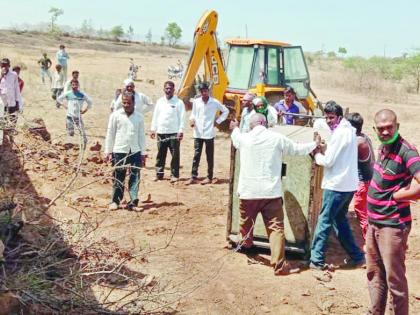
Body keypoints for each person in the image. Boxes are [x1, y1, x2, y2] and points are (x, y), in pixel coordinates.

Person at [230, 113, 320, 275]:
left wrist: (235, 127)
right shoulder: (276, 138)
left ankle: (246, 248)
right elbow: (297, 150)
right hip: (271, 193)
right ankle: (279, 265)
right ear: (265, 123)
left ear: (251, 126)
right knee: (275, 228)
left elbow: (235, 137)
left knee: (246, 223)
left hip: (248, 192)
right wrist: (315, 144)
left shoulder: (244, 138)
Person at [366, 109, 420, 315]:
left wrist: (399, 196)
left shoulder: (407, 151)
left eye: (390, 127)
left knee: (394, 280)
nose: (386, 131)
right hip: (375, 223)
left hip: (393, 226)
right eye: (381, 128)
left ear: (397, 126)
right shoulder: (383, 148)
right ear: (375, 130)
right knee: (374, 274)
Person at [309, 101, 365, 270]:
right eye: (326, 117)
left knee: (324, 221)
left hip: (337, 185)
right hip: (348, 185)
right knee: (339, 221)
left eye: (331, 118)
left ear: (339, 117)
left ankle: (316, 260)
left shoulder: (341, 134)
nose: (328, 121)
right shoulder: (348, 131)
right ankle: (357, 256)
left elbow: (328, 161)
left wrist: (317, 154)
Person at [104, 92, 146, 211]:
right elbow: (110, 134)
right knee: (118, 176)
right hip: (119, 150)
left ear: (134, 103)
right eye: (124, 102)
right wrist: (108, 151)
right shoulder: (115, 115)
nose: (126, 105)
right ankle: (115, 201)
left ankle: (133, 202)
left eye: (129, 103)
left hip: (135, 151)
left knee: (135, 177)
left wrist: (143, 153)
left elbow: (141, 136)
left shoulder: (139, 117)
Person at [188, 82, 229, 184]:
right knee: (196, 155)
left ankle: (209, 177)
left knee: (209, 156)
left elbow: (226, 111)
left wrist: (218, 121)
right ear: (200, 92)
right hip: (198, 133)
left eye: (206, 91)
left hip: (209, 133)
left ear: (208, 91)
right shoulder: (196, 102)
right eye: (202, 92)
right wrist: (192, 120)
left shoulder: (214, 102)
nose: (204, 93)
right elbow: (193, 114)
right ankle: (193, 176)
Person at [346, 112, 375, 241]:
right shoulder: (365, 137)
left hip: (363, 182)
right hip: (369, 179)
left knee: (362, 213)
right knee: (367, 212)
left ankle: (370, 242)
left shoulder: (356, 143)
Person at [150, 81, 185, 182]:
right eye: (166, 88)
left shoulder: (179, 102)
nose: (168, 90)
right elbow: (155, 116)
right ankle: (159, 174)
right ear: (164, 89)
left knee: (175, 155)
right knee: (160, 154)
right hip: (161, 131)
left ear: (174, 90)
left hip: (174, 133)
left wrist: (181, 131)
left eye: (170, 89)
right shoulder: (160, 101)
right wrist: (153, 129)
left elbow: (182, 118)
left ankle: (174, 175)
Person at [57, 79, 92, 148]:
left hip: (78, 117)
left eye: (76, 85)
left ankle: (84, 143)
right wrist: (64, 105)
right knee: (70, 133)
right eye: (73, 85)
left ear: (78, 85)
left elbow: (90, 102)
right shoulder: (68, 93)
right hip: (69, 117)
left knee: (82, 131)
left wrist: (85, 110)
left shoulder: (82, 94)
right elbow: (59, 99)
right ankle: (69, 146)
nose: (74, 86)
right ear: (71, 85)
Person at [0, 58, 23, 132]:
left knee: (12, 124)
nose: (4, 67)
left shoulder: (13, 75)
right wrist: (1, 76)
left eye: (6, 65)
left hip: (12, 103)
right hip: (2, 105)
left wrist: (18, 103)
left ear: (9, 66)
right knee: (3, 124)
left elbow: (17, 90)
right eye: (2, 65)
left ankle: (11, 139)